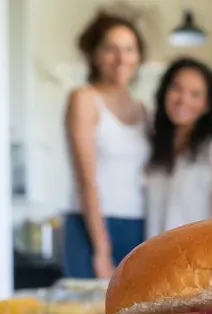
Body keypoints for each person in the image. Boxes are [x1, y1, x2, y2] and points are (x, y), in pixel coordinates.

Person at [62, 11, 151, 279]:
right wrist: (101, 249)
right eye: (110, 49)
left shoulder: (144, 110)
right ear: (95, 55)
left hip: (138, 225)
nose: (121, 58)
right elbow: (86, 179)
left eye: (129, 49)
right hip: (91, 226)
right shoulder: (84, 99)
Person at [144, 58, 212, 239]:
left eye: (195, 94)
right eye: (176, 89)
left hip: (196, 260)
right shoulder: (155, 147)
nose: (182, 100)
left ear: (207, 106)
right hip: (153, 258)